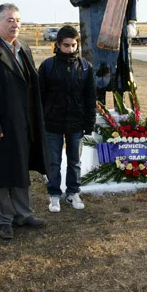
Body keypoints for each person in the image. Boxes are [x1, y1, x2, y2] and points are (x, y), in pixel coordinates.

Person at [0, 3, 47, 240]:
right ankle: (3, 220)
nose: (15, 25)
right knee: (0, 172)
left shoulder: (23, 48)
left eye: (18, 20)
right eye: (10, 20)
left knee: (21, 168)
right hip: (1, 125)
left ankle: (23, 214)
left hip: (23, 122)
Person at [70, 0, 138, 105]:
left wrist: (131, 22)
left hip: (119, 31)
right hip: (93, 32)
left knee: (119, 73)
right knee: (96, 74)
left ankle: (120, 115)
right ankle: (98, 114)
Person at [38, 26, 96, 212]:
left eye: (73, 45)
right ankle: (54, 194)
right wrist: (41, 121)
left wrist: (89, 123)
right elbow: (39, 97)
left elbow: (90, 97)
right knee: (54, 161)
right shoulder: (47, 66)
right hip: (52, 122)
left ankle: (73, 192)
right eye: (66, 45)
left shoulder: (86, 67)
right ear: (58, 45)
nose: (70, 49)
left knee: (74, 161)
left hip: (76, 123)